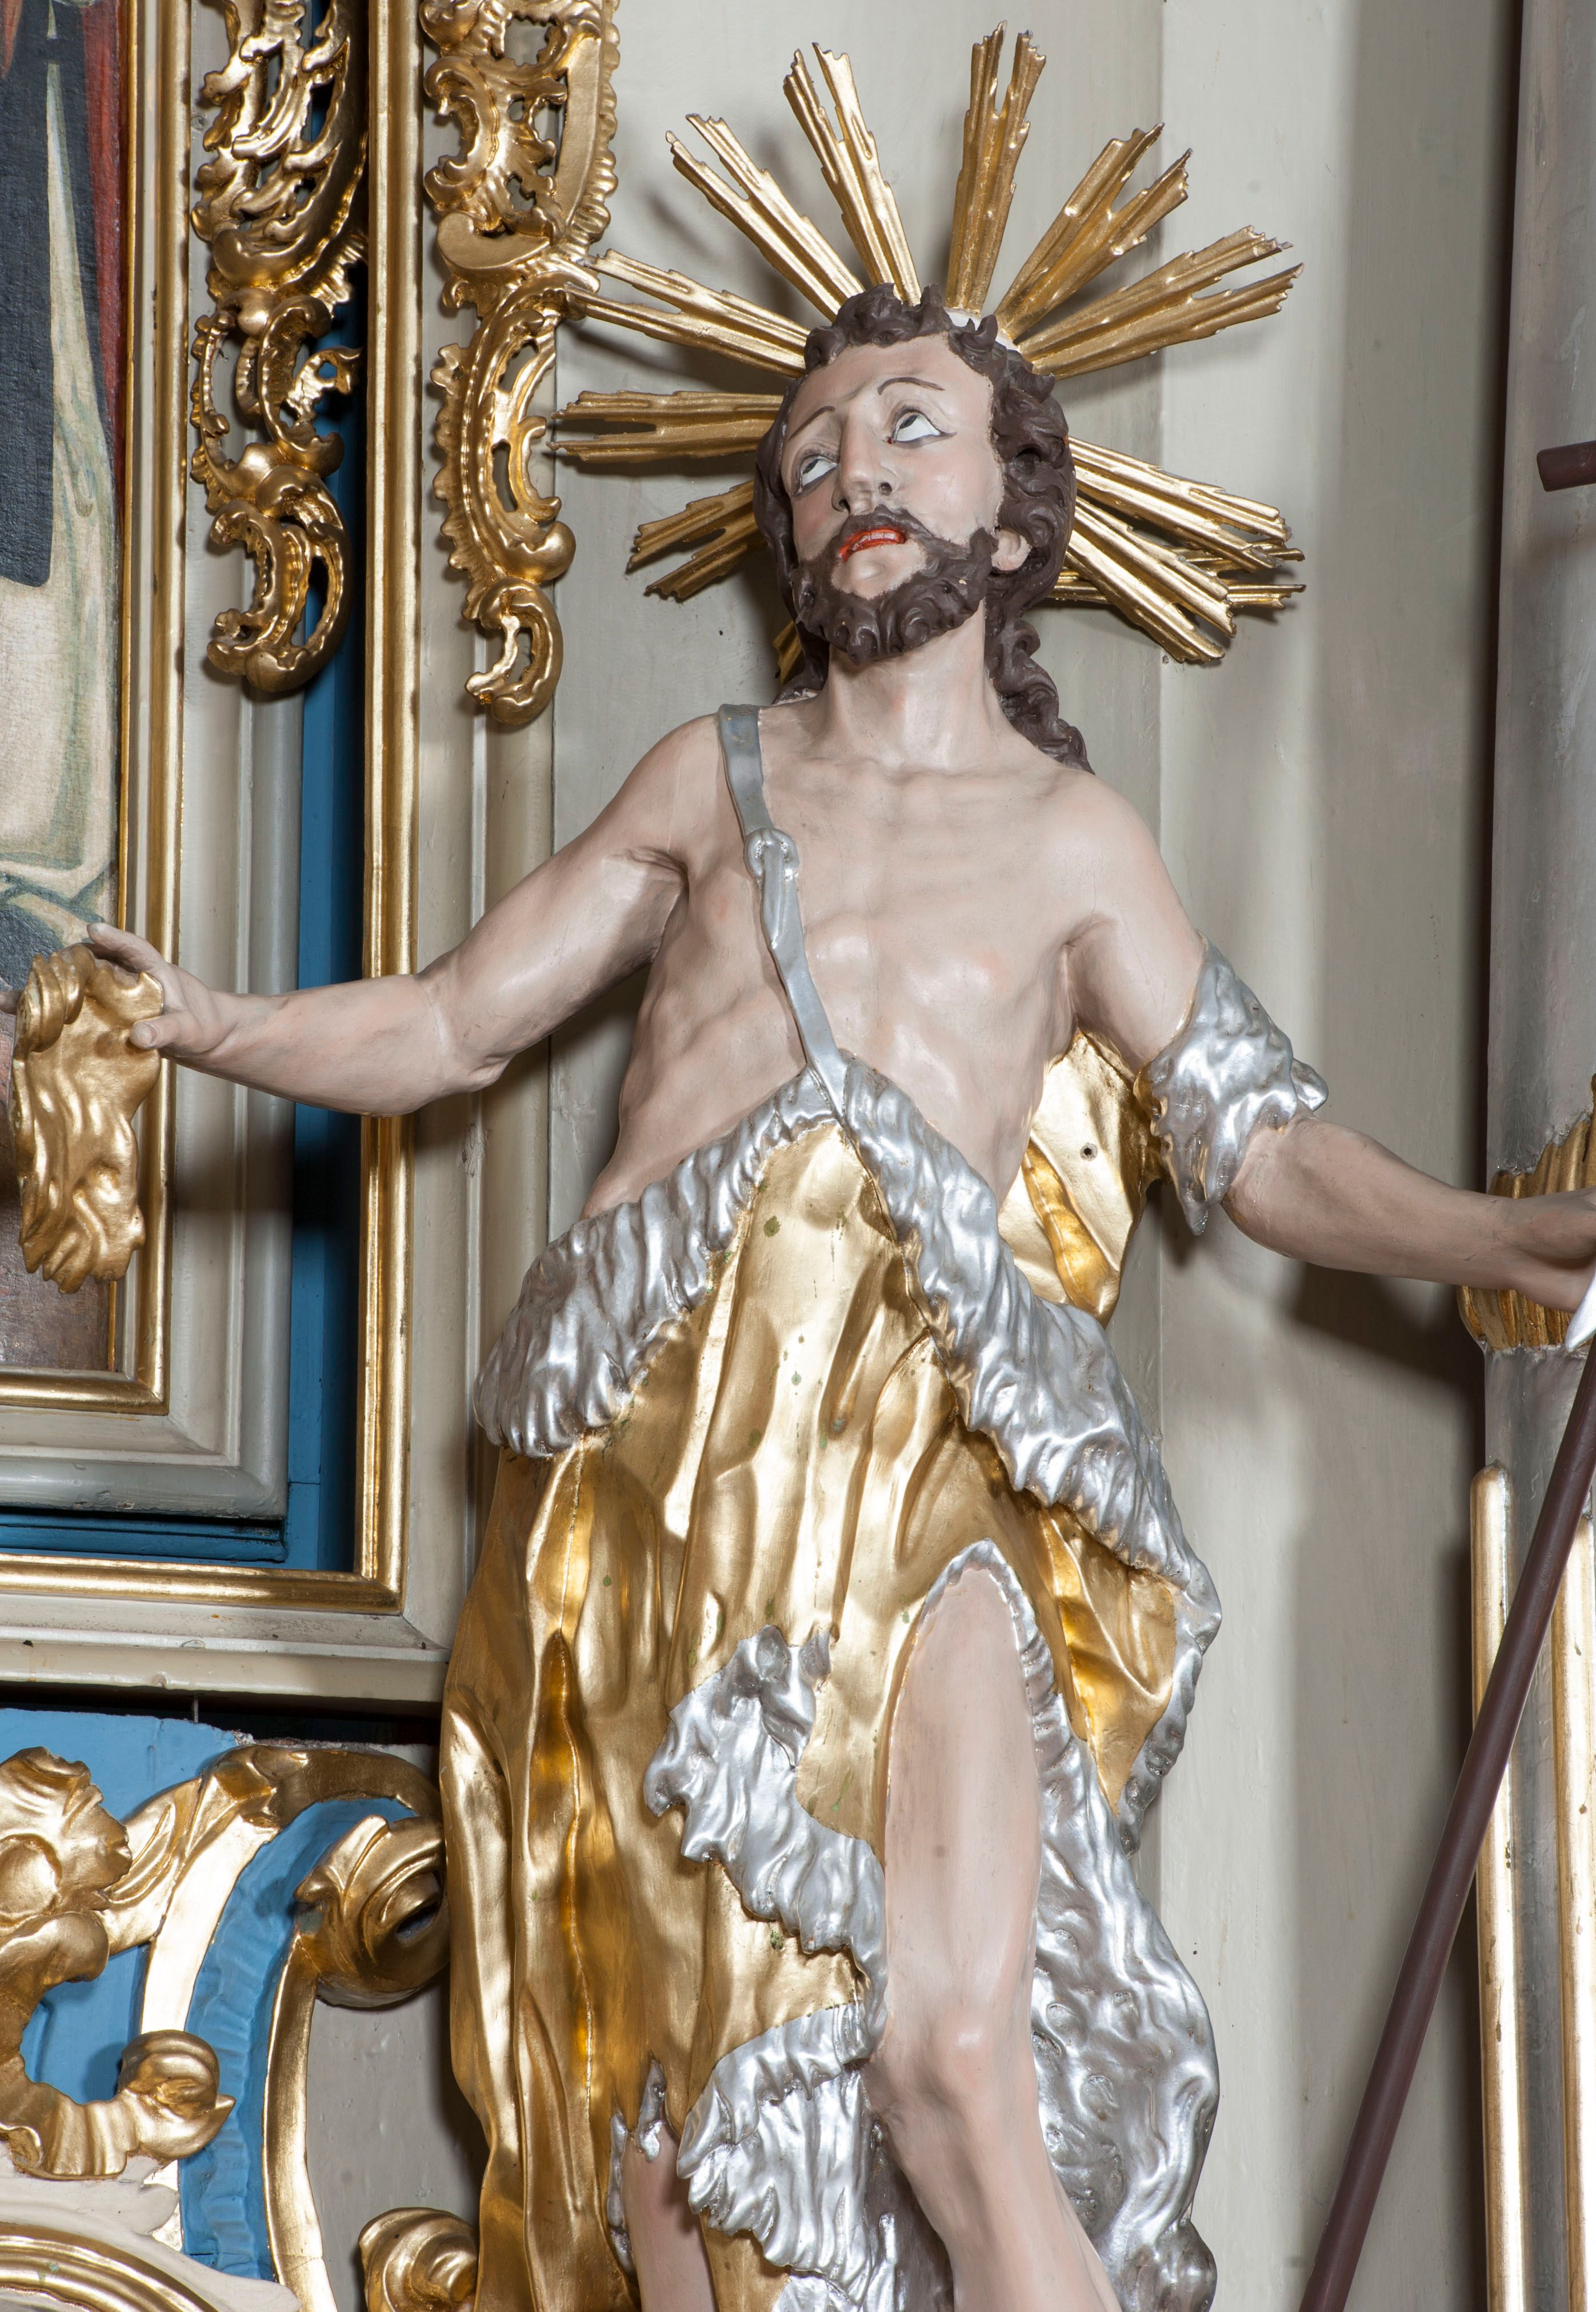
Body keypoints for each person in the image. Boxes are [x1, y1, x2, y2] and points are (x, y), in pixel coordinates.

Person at [66, 288, 1596, 2312]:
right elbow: (448, 1024)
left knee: (955, 2062)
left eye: (905, 431)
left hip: (924, 1450)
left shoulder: (1073, 842)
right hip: (664, 1473)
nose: (850, 473)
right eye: (809, 460)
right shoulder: (712, 783)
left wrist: (1507, 1242)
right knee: (678, 2140)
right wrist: (208, 1023)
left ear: (1014, 513)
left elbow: (1259, 1143)